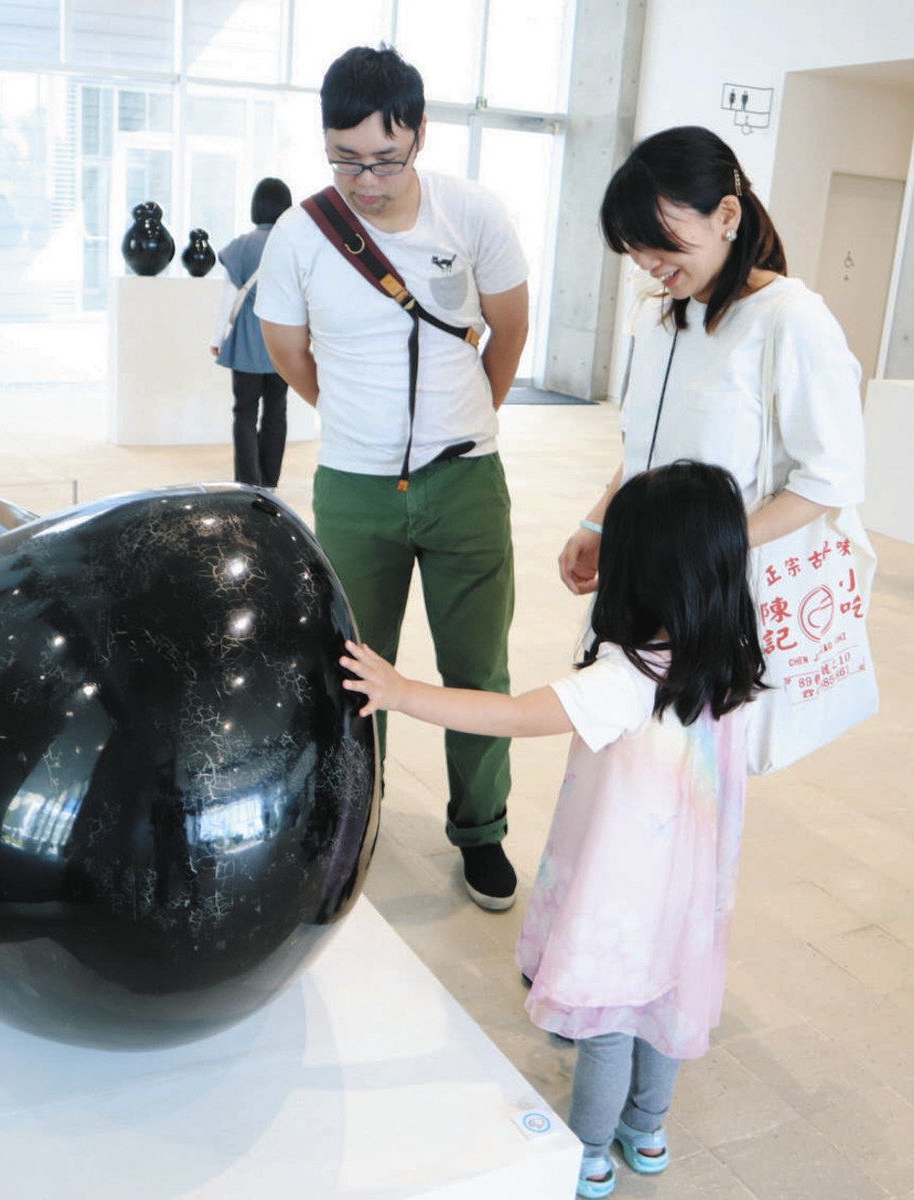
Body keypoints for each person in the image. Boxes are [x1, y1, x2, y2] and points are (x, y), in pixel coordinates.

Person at [339, 461, 767, 1198]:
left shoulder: (625, 682)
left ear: (640, 574)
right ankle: (648, 1131)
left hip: (620, 897)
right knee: (662, 1009)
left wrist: (403, 693)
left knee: (606, 1024)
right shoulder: (731, 662)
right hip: (689, 895)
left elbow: (508, 715)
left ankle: (592, 1154)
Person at [256, 45, 531, 910]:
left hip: (466, 486)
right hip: (354, 489)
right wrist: (360, 428)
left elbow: (508, 331)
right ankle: (346, 822)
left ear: (419, 133)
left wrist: (466, 420)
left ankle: (481, 831)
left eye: (382, 159)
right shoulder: (301, 234)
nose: (364, 180)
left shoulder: (473, 215)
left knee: (477, 669)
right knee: (349, 672)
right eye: (343, 159)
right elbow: (289, 354)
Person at [559, 125, 865, 597]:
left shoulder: (792, 320)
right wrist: (598, 524)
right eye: (633, 244)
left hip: (735, 594)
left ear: (726, 214)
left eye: (657, 238)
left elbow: (830, 478)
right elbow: (650, 448)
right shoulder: (659, 312)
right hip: (656, 578)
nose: (645, 260)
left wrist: (720, 549)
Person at [212, 177, 294, 488]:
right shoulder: (293, 245)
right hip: (282, 342)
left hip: (246, 341)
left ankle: (248, 481)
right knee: (277, 410)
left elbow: (228, 299)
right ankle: (270, 482)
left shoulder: (240, 247)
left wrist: (217, 339)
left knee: (244, 412)